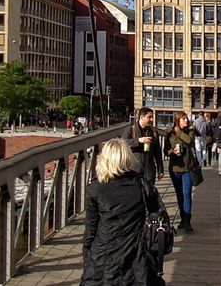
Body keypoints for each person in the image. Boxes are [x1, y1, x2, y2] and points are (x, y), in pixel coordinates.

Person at [81, 138, 165, 285]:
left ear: (104, 159)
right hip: (136, 252)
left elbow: (91, 228)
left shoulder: (96, 188)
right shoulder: (141, 184)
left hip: (104, 252)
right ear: (127, 158)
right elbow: (159, 215)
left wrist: (88, 258)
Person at [165, 117, 199, 233]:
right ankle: (183, 218)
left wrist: (178, 132)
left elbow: (189, 140)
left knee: (187, 193)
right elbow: (166, 151)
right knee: (179, 195)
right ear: (177, 121)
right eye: (183, 118)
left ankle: (187, 221)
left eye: (186, 118)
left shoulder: (190, 131)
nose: (186, 120)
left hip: (188, 167)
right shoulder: (169, 134)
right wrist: (172, 152)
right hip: (175, 168)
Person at [130, 114, 163, 180]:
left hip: (149, 169)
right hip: (134, 169)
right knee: (135, 189)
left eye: (152, 117)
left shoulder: (153, 132)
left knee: (149, 189)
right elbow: (124, 142)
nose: (152, 119)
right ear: (141, 117)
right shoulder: (131, 130)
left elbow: (157, 152)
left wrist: (160, 170)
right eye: (149, 117)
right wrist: (138, 140)